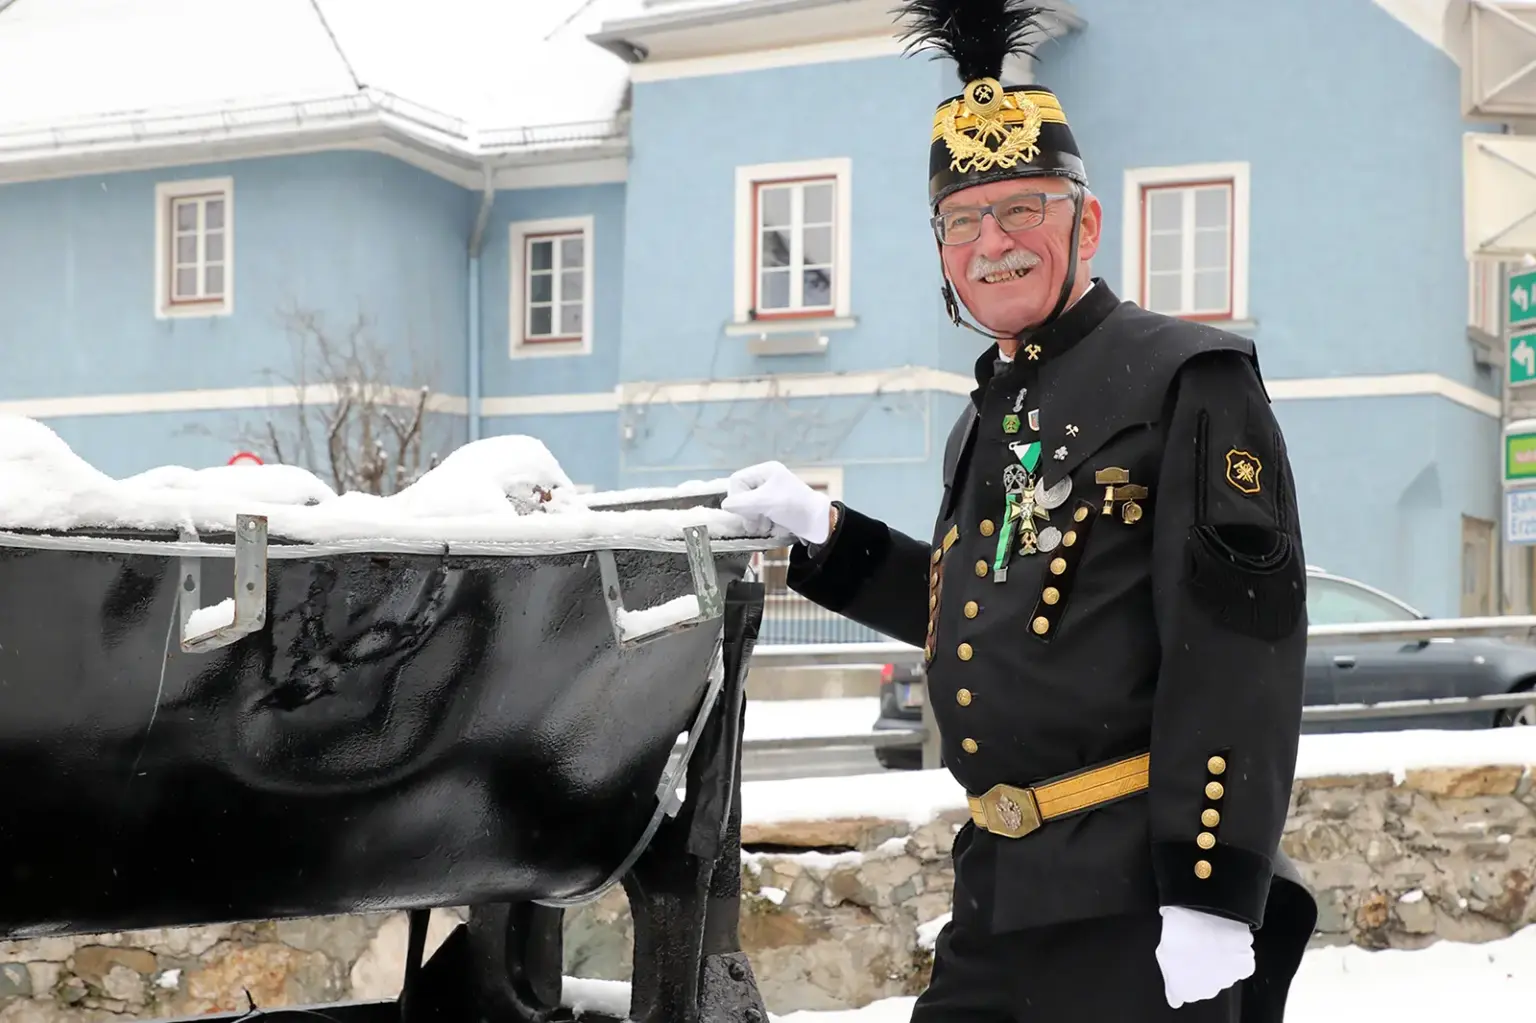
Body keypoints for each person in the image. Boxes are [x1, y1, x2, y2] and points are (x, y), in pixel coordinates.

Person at [720, 1, 1319, 1020]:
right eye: (963, 221)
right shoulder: (985, 416)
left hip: (1137, 898)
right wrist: (829, 537)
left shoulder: (1187, 379)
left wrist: (1211, 894)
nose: (992, 243)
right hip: (1001, 888)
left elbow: (1237, 650)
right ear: (942, 250)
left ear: (1084, 222)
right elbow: (992, 621)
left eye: (1021, 210)